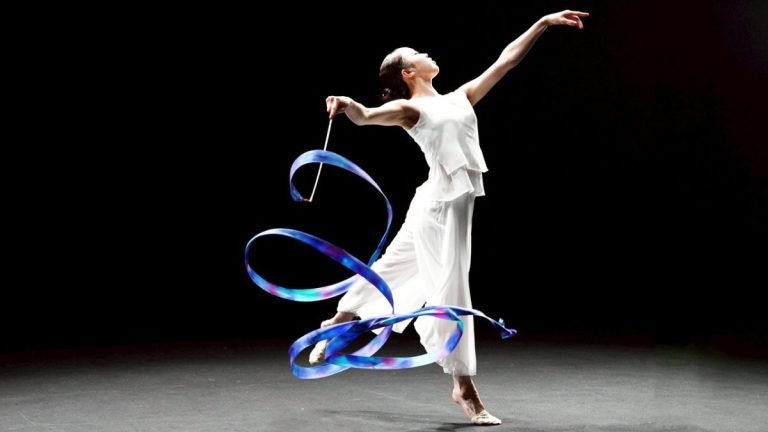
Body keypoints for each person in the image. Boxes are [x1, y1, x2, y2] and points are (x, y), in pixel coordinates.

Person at [310, 9, 589, 426]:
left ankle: (337, 322)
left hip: (441, 202)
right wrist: (347, 103)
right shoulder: (409, 108)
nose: (427, 53)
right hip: (439, 208)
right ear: (408, 72)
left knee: (395, 269)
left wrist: (543, 23)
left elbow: (506, 60)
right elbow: (366, 116)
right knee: (451, 290)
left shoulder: (459, 97)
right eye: (417, 53)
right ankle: (464, 389)